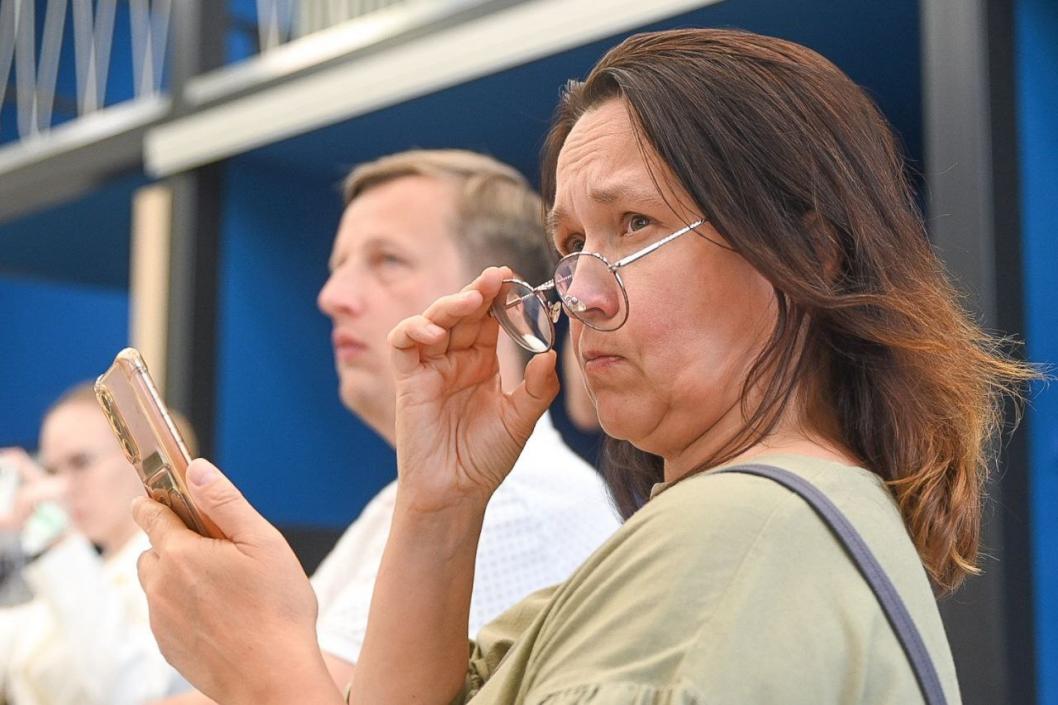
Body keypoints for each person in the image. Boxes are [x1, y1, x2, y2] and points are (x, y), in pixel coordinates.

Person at [131, 28, 1036, 705]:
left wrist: (264, 671)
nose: (584, 295)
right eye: (570, 245)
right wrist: (440, 505)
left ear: (807, 254)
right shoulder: (720, 532)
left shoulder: (738, 533)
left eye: (635, 225)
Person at [156, 149, 619, 704]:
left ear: (501, 300)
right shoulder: (411, 501)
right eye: (339, 266)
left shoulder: (515, 497)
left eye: (388, 261)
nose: (331, 297)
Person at [0, 383, 192, 705]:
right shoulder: (95, 569)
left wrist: (58, 543)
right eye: (51, 470)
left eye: (80, 462)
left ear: (144, 459)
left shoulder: (182, 570)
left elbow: (132, 691)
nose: (60, 487)